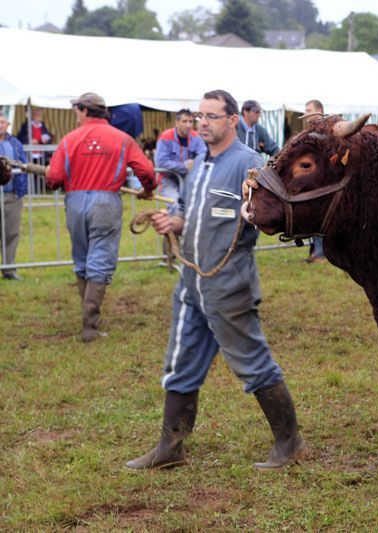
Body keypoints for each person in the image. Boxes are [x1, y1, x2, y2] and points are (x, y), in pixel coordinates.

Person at [125, 89, 305, 472]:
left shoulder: (251, 165)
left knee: (253, 364)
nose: (202, 123)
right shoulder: (199, 165)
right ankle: (170, 447)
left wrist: (255, 208)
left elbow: (273, 218)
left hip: (229, 285)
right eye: (200, 116)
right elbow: (186, 212)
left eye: (211, 116)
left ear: (232, 120)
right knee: (181, 362)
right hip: (191, 283)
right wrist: (170, 221)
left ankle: (289, 443)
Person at [46, 92, 156, 342]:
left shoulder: (68, 140)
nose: (75, 114)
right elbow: (147, 170)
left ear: (84, 111)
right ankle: (90, 327)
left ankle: (90, 323)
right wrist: (148, 190)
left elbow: (52, 178)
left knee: (82, 259)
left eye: (76, 109)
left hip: (75, 201)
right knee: (100, 259)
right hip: (106, 201)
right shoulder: (122, 138)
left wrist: (61, 182)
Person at [155, 109, 207, 266]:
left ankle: (182, 254)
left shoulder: (196, 137)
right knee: (175, 209)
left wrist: (194, 164)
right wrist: (183, 167)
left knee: (193, 211)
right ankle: (172, 255)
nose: (188, 125)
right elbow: (161, 161)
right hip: (169, 180)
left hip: (189, 180)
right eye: (184, 121)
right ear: (176, 123)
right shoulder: (166, 137)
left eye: (191, 121)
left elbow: (204, 154)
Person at [0, 112, 28, 281]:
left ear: (8, 124)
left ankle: (9, 269)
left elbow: (22, 164)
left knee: (12, 232)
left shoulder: (15, 143)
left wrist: (21, 189)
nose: (0, 125)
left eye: (3, 121)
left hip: (12, 195)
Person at [303, 99, 327, 264]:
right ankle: (315, 251)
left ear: (319, 111)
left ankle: (320, 253)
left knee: (319, 218)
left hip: (323, 182)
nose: (305, 114)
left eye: (308, 110)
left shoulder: (325, 131)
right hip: (311, 181)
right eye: (305, 110)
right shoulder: (310, 131)